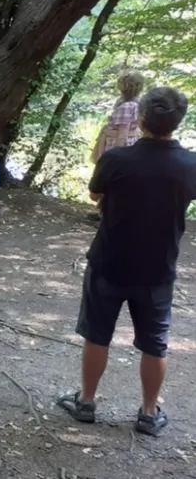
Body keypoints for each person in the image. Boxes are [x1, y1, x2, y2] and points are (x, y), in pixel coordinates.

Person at [58, 87, 193, 437]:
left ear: (141, 118)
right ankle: (149, 412)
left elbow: (96, 193)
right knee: (155, 342)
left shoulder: (116, 159)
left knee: (97, 334)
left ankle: (86, 401)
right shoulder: (190, 165)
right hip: (158, 268)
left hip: (109, 260)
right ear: (179, 121)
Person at [89, 71, 144, 221]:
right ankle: (102, 211)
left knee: (110, 175)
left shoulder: (127, 106)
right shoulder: (136, 104)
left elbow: (123, 131)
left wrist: (118, 154)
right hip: (127, 142)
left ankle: (106, 214)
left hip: (117, 143)